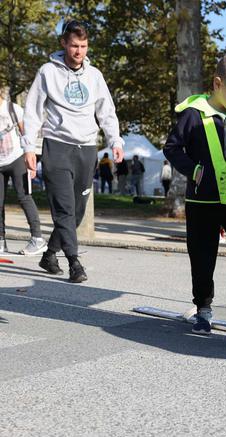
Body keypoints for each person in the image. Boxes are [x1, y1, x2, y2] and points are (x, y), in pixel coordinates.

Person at [164, 53, 226, 335]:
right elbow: (171, 148)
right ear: (218, 83)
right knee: (202, 256)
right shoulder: (192, 114)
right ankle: (203, 308)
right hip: (201, 201)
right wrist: (193, 170)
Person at [22, 20, 124, 282]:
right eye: (74, 46)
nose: (79, 51)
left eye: (83, 46)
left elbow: (107, 112)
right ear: (63, 44)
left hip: (87, 148)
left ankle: (50, 253)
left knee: (77, 211)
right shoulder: (47, 72)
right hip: (57, 146)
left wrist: (115, 141)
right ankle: (74, 262)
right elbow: (33, 112)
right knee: (64, 208)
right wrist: (29, 148)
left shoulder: (95, 76)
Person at [0, 87, 47, 255]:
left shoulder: (13, 109)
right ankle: (1, 241)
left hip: (16, 159)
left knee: (24, 197)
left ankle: (37, 239)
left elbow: (26, 134)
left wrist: (31, 160)